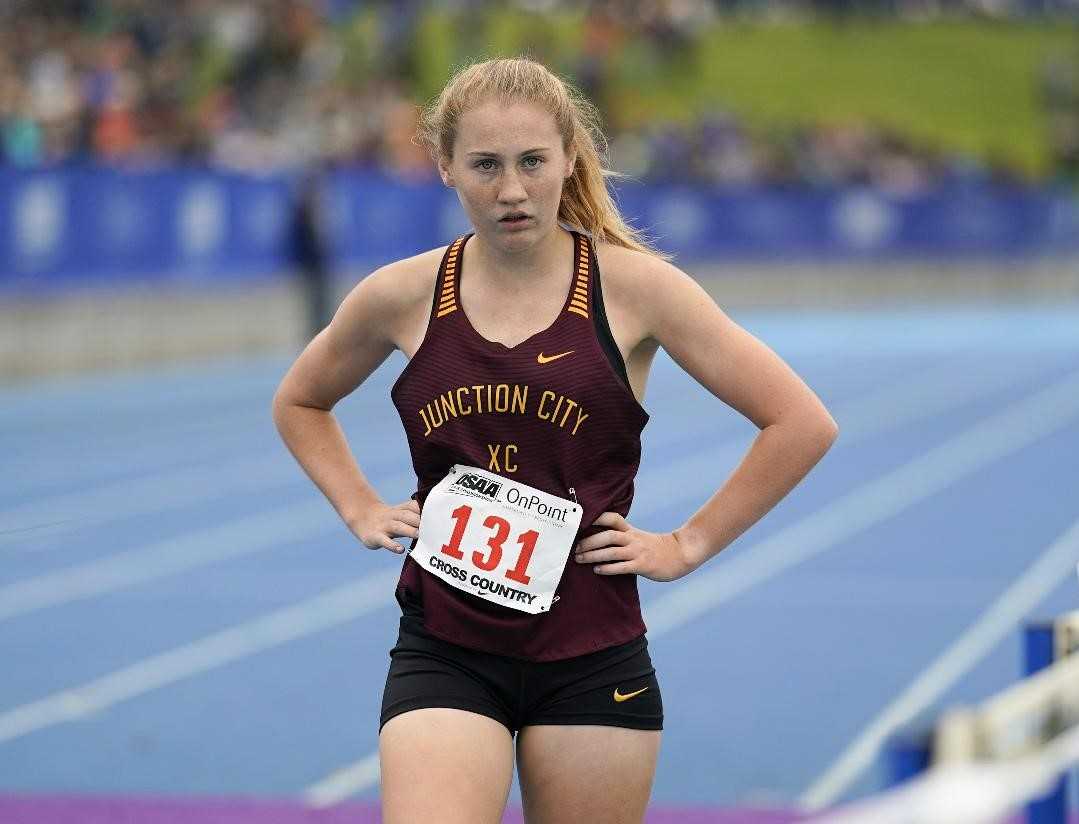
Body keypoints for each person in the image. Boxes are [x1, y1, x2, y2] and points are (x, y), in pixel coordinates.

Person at [271, 57, 838, 824]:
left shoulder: (635, 289)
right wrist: (357, 506)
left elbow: (800, 422)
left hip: (592, 654)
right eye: (485, 165)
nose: (511, 190)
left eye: (532, 162)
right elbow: (300, 400)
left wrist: (687, 544)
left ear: (571, 157)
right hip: (445, 645)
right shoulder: (401, 294)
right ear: (444, 167)